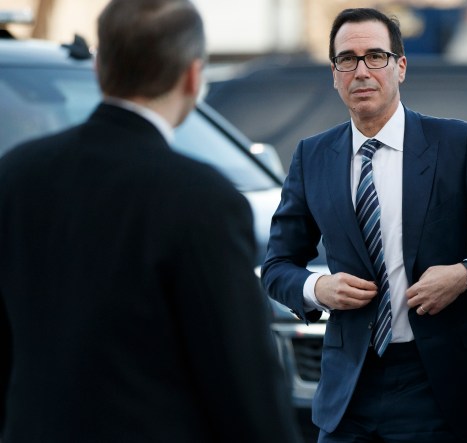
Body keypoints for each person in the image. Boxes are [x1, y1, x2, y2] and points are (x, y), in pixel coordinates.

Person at [0, 1, 300, 442]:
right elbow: (241, 379)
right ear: (193, 77)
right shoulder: (202, 199)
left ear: (100, 67)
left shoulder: (16, 174)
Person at [261, 7, 467, 443]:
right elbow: (278, 265)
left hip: (436, 382)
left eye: (375, 56)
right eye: (347, 60)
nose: (361, 71)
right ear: (334, 74)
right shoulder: (312, 156)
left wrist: (465, 275)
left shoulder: (459, 144)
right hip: (349, 385)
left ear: (400, 66)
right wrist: (319, 289)